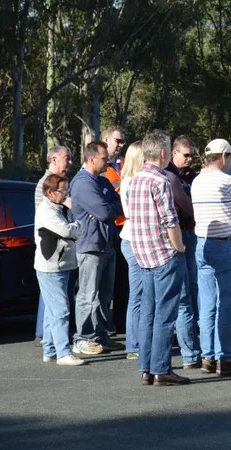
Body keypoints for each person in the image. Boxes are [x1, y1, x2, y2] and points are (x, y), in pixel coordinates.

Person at [126, 131, 190, 386]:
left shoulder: (134, 181)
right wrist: (180, 247)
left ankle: (147, 367)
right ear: (164, 154)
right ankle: (161, 369)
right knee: (165, 315)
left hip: (143, 254)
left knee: (148, 313)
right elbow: (170, 220)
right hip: (163, 254)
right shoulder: (159, 181)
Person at [192, 139, 231, 376]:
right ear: (224, 156)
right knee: (226, 304)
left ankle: (207, 356)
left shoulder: (197, 181)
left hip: (202, 244)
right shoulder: (228, 181)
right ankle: (224, 358)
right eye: (230, 158)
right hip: (225, 244)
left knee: (206, 304)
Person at [69, 141, 124, 355]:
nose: (108, 161)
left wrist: (110, 207)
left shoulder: (101, 180)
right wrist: (109, 207)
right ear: (92, 159)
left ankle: (100, 335)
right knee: (87, 294)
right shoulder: (83, 183)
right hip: (90, 246)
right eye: (104, 158)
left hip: (106, 244)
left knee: (104, 295)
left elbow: (119, 205)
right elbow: (105, 212)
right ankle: (83, 337)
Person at [33, 174, 84, 366]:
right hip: (51, 267)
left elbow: (73, 229)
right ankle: (63, 352)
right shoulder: (47, 211)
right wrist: (77, 225)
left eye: (67, 191)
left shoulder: (61, 208)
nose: (66, 195)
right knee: (61, 310)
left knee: (51, 312)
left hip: (63, 264)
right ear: (50, 192)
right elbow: (68, 231)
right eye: (63, 191)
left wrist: (74, 224)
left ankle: (50, 350)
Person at [165, 135, 201, 369]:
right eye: (185, 155)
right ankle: (190, 353)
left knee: (193, 289)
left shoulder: (193, 176)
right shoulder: (166, 177)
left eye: (191, 155)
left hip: (191, 233)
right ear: (173, 153)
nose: (189, 159)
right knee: (183, 297)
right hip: (175, 235)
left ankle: (192, 342)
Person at [34, 145, 73, 346]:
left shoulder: (61, 184)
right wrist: (76, 224)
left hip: (60, 254)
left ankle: (49, 344)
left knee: (53, 302)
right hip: (51, 253)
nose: (70, 162)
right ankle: (49, 340)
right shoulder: (47, 185)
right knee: (55, 304)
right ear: (54, 159)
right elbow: (58, 224)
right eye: (67, 158)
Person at [119, 141, 145, 360]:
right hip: (133, 239)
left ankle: (138, 341)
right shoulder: (131, 182)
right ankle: (133, 344)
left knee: (142, 293)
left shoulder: (130, 180)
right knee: (136, 295)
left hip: (135, 238)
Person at [101, 125, 127, 335]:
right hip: (110, 229)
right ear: (106, 139)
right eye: (117, 141)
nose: (120, 145)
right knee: (107, 283)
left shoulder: (124, 164)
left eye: (122, 142)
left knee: (123, 281)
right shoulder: (101, 167)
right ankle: (104, 326)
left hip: (126, 228)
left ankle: (122, 323)